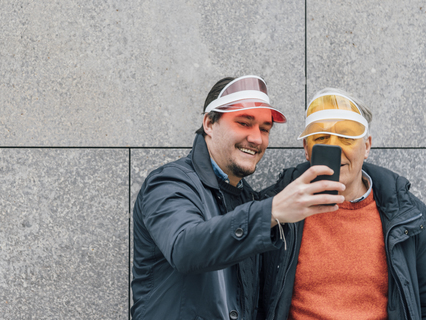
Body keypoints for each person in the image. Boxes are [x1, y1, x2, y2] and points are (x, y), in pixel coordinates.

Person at [130, 76, 346, 320]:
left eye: (264, 129)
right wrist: (272, 211)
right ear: (209, 124)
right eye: (244, 123)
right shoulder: (169, 183)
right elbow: (185, 248)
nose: (256, 138)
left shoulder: (247, 198)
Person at [260, 88, 426, 319]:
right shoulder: (273, 208)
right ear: (307, 150)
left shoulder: (409, 215)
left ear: (366, 146)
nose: (335, 148)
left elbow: (422, 297)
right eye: (321, 138)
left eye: (347, 137)